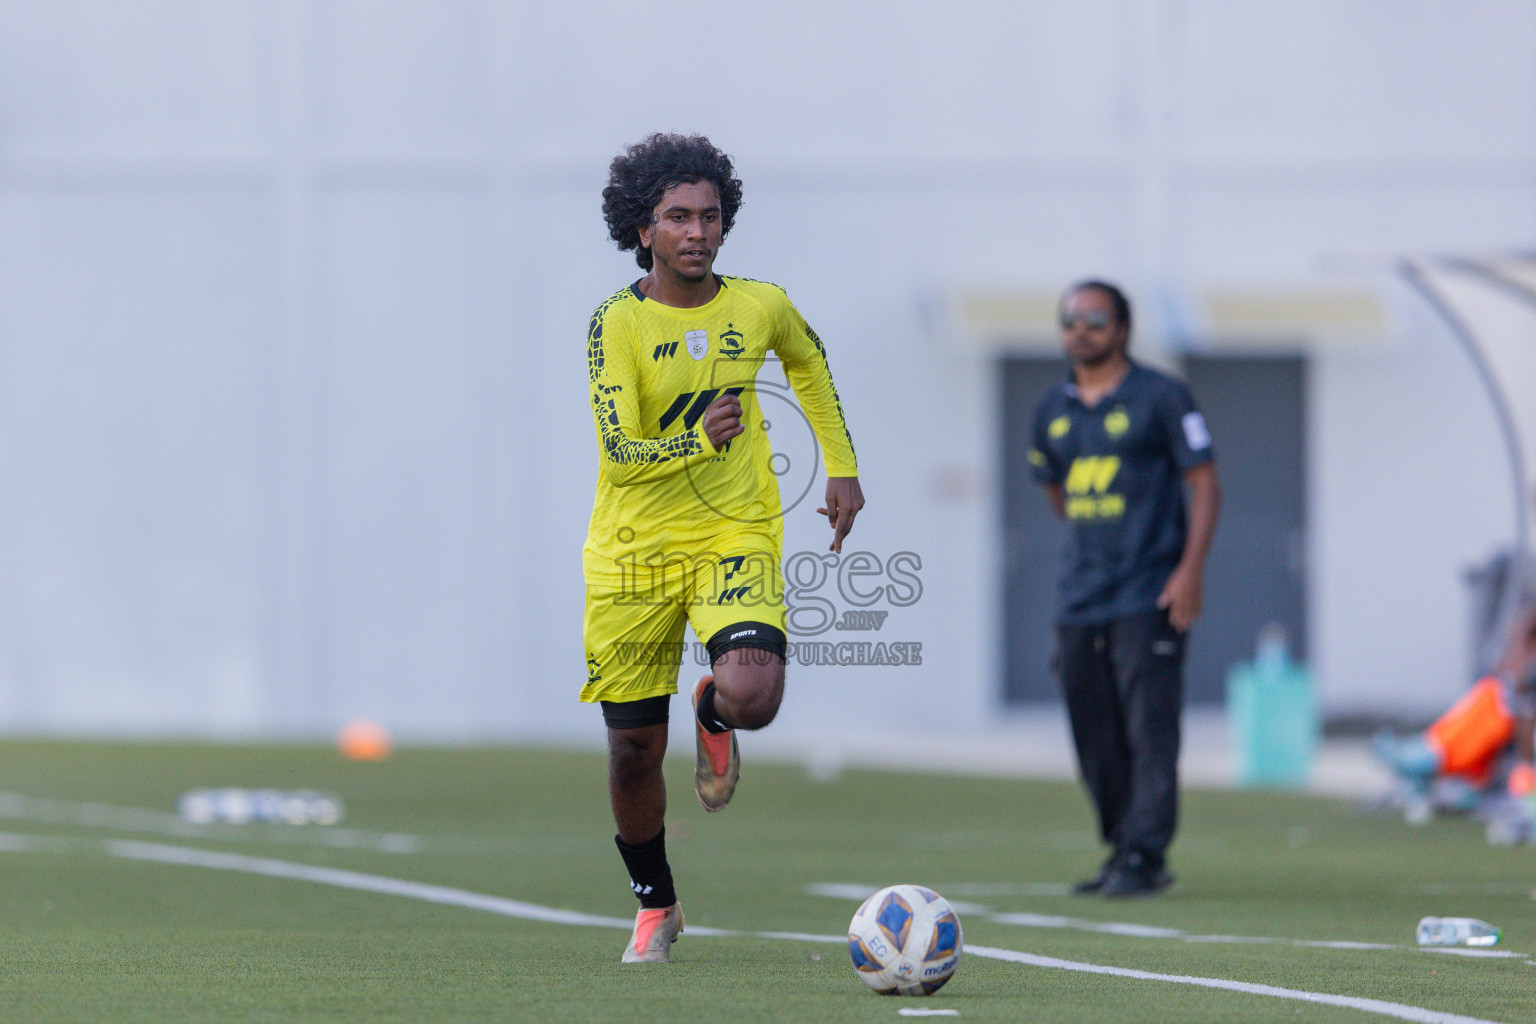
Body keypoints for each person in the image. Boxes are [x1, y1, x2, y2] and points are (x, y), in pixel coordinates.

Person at [583, 133, 863, 963]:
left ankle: (713, 708)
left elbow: (809, 364)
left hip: (734, 533)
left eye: (709, 216)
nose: (697, 232)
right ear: (643, 230)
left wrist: (842, 468)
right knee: (633, 752)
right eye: (677, 217)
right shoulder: (616, 325)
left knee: (755, 696)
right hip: (633, 550)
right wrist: (697, 441)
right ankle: (656, 905)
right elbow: (619, 455)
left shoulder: (761, 305)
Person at [1028, 280, 1221, 898]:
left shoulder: (1162, 395)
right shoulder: (1050, 410)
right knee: (1093, 730)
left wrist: (1189, 570)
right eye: (1069, 320)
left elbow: (1205, 482)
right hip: (1080, 596)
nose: (1079, 330)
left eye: (1094, 319)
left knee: (1150, 729)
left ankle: (1145, 854)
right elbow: (1056, 492)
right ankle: (1123, 846)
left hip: (1149, 592)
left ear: (1123, 329)